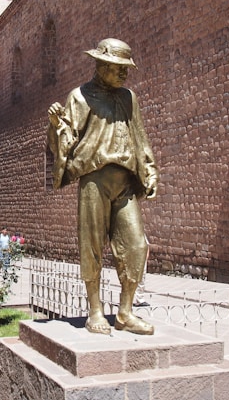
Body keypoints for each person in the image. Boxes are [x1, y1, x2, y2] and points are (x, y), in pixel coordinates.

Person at [47, 38, 159, 335]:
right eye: (119, 69)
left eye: (126, 69)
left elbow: (140, 137)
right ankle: (95, 310)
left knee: (136, 246)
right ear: (101, 65)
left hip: (125, 183)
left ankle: (125, 312)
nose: (124, 74)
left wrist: (149, 170)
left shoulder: (128, 98)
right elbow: (63, 141)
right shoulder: (79, 97)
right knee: (92, 245)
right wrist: (54, 125)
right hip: (94, 180)